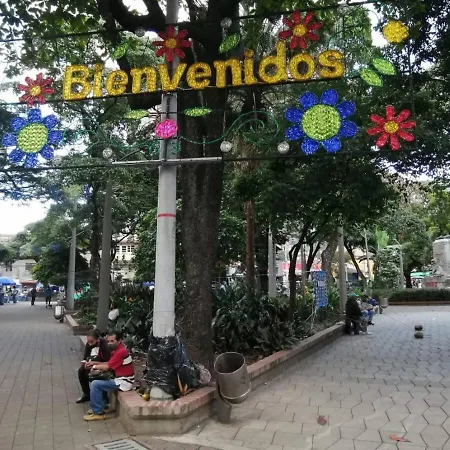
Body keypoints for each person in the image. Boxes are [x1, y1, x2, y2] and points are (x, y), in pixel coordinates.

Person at [83, 330, 134, 421]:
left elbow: (106, 367)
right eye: (108, 341)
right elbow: (109, 363)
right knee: (97, 378)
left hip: (124, 382)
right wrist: (95, 363)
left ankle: (98, 412)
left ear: (119, 341)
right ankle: (102, 405)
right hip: (120, 378)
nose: (109, 343)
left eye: (112, 341)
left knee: (95, 384)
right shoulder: (118, 350)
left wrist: (94, 366)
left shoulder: (120, 352)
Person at [76, 329, 110, 404]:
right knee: (81, 371)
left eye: (92, 342)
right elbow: (86, 357)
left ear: (98, 340)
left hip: (103, 366)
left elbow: (107, 362)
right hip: (93, 364)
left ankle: (104, 398)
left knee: (95, 375)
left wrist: (94, 365)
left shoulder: (105, 346)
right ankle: (86, 394)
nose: (90, 344)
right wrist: (85, 363)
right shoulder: (89, 345)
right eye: (89, 342)